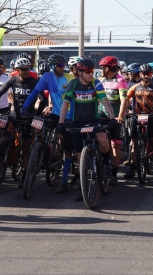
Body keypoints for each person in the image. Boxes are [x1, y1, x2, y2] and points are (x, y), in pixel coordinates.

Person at [56, 58, 117, 201]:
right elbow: (65, 105)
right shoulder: (73, 84)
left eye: (92, 71)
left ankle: (106, 163)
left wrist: (112, 118)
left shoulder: (96, 83)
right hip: (77, 121)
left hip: (93, 119)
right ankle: (82, 187)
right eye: (88, 72)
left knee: (103, 140)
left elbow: (105, 102)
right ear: (80, 72)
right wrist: (61, 122)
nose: (91, 74)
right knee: (80, 158)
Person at [21, 54, 75, 193]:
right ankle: (40, 149)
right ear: (52, 66)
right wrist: (25, 107)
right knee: (38, 127)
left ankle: (64, 182)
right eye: (60, 65)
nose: (63, 67)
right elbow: (35, 92)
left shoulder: (70, 78)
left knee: (68, 150)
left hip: (69, 116)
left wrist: (71, 118)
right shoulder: (47, 77)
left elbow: (73, 100)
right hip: (55, 113)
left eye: (64, 65)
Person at [0, 57, 39, 188]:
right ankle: (0, 155)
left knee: (26, 146)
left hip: (29, 116)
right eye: (23, 69)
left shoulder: (35, 82)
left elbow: (42, 99)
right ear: (17, 70)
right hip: (15, 114)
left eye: (28, 69)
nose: (26, 71)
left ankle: (24, 173)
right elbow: (0, 92)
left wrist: (38, 111)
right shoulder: (13, 80)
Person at [124, 64, 153, 178]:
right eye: (144, 74)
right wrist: (124, 112)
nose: (146, 76)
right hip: (136, 117)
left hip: (150, 117)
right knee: (134, 143)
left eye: (148, 74)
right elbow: (125, 99)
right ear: (140, 74)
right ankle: (132, 167)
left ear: (151, 75)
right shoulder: (134, 87)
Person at [98, 56, 129, 186]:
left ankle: (114, 174)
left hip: (116, 116)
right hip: (102, 114)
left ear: (108, 68)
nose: (100, 70)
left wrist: (120, 116)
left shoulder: (120, 80)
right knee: (101, 141)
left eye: (102, 68)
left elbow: (124, 100)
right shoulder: (101, 80)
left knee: (116, 145)